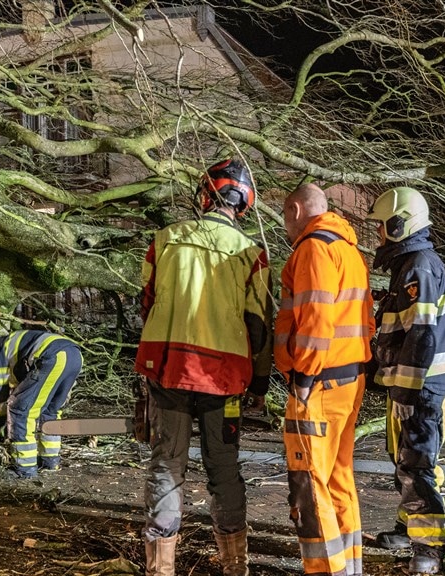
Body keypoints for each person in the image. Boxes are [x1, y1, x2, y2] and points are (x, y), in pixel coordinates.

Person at [134, 158, 272, 576]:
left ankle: (161, 569)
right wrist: (259, 385)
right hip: (225, 379)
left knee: (167, 462)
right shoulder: (252, 254)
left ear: (205, 195)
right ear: (243, 205)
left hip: (169, 369)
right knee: (223, 467)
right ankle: (235, 566)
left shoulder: (165, 239)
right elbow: (259, 326)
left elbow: (147, 303)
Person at [275, 183, 374, 576]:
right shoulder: (348, 249)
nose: (285, 226)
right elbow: (364, 320)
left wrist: (303, 377)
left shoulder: (313, 248)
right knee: (337, 478)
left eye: (285, 216)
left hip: (318, 382)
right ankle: (349, 567)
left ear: (296, 210)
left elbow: (317, 320)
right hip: (348, 379)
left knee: (309, 483)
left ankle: (325, 570)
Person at [365, 187, 445, 574]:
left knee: (417, 466)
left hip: (422, 390)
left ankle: (429, 550)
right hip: (411, 387)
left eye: (382, 226)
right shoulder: (410, 266)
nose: (378, 234)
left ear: (399, 225)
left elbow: (422, 335)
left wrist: (406, 390)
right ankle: (409, 529)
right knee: (406, 462)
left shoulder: (419, 266)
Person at [0, 330, 83, 479]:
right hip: (74, 356)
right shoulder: (10, 344)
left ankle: (24, 469)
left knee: (19, 410)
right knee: (49, 411)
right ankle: (50, 461)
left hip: (51, 356)